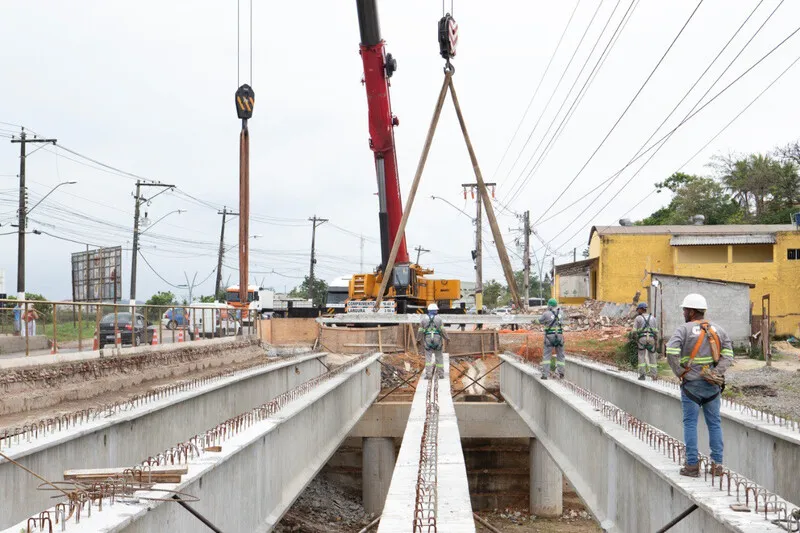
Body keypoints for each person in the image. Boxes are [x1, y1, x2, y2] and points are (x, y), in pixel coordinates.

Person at [666, 293, 734, 477]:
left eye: (684, 310)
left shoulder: (684, 329)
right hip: (712, 386)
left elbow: (671, 351)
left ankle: (691, 466)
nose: (683, 313)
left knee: (690, 424)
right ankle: (717, 465)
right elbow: (728, 354)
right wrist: (716, 373)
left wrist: (680, 372)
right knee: (714, 424)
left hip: (691, 386)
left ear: (691, 311)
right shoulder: (718, 330)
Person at [418, 303, 449, 379]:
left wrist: (418, 339)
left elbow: (420, 331)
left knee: (428, 358)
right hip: (437, 339)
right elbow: (442, 330)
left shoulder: (424, 319)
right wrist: (447, 338)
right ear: (435, 310)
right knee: (439, 357)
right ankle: (441, 374)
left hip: (428, 339)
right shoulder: (439, 319)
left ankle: (428, 375)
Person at [539, 298, 565, 380]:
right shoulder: (561, 313)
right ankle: (561, 373)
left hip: (549, 337)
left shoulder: (546, 314)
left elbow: (539, 321)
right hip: (560, 337)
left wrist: (534, 321)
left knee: (547, 356)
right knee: (560, 355)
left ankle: (545, 375)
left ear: (549, 305)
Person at [633, 302, 658, 381]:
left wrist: (635, 338)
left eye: (638, 310)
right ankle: (654, 375)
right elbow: (656, 331)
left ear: (641, 309)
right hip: (651, 339)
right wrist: (656, 341)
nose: (638, 311)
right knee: (652, 356)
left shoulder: (638, 318)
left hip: (642, 339)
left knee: (641, 356)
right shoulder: (653, 318)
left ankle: (642, 375)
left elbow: (634, 331)